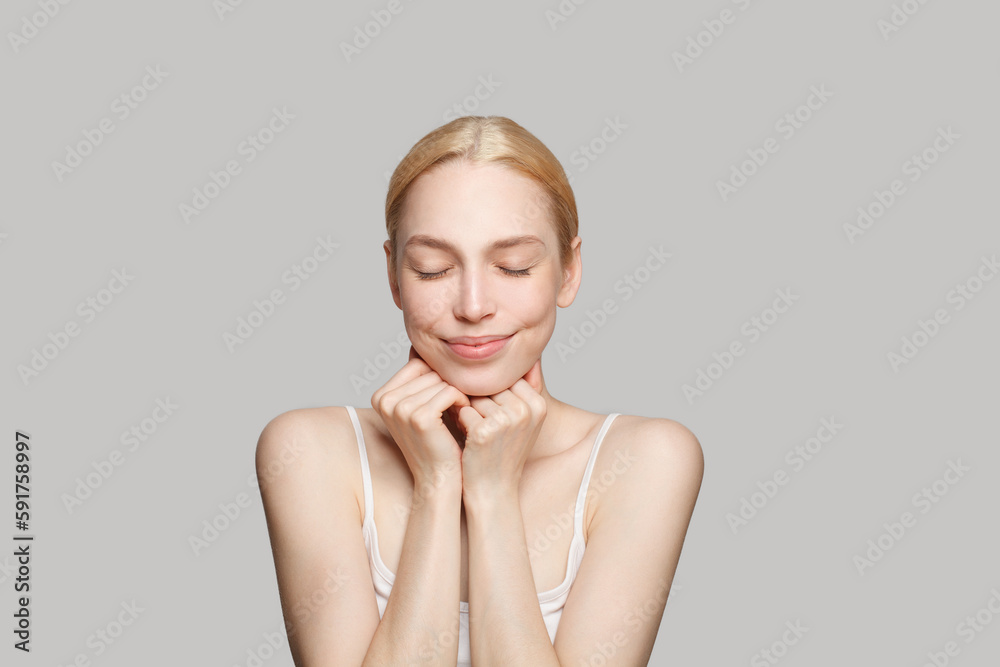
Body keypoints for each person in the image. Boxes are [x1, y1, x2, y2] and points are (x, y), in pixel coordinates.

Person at [256, 116, 704, 666]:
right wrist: (437, 485)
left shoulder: (647, 459)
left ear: (568, 272)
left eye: (513, 268)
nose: (472, 306)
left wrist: (491, 496)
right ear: (394, 277)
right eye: (432, 269)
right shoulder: (308, 450)